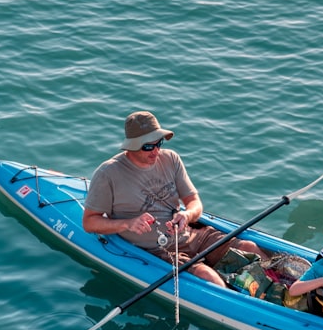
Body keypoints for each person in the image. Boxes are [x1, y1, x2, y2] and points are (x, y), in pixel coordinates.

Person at [82, 111, 266, 287]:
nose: (155, 151)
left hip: (192, 235)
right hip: (159, 250)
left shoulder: (171, 159)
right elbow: (89, 222)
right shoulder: (108, 174)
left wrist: (187, 215)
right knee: (208, 277)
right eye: (148, 146)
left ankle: (285, 291)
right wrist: (128, 223)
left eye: (158, 143)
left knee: (250, 248)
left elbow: (194, 202)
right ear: (132, 145)